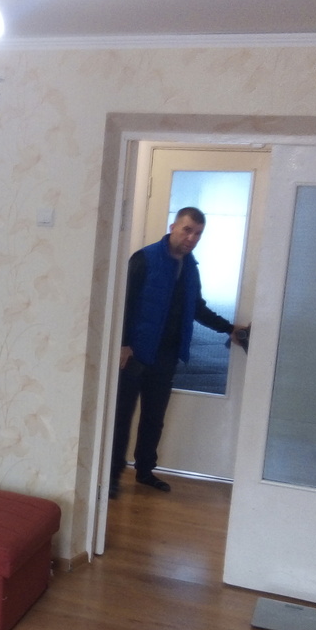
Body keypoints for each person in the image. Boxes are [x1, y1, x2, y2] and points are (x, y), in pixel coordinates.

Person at [110, 206, 246, 497]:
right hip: (133, 355)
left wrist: (229, 329)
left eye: (198, 233)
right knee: (121, 417)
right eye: (187, 230)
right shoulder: (144, 259)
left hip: (166, 356)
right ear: (173, 227)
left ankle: (145, 471)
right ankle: (111, 478)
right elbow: (124, 302)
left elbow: (197, 308)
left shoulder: (190, 268)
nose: (192, 238)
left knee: (154, 418)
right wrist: (122, 344)